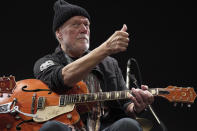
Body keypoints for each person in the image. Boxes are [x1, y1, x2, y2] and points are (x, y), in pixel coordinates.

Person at [33, 0, 154, 131]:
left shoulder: (110, 64)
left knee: (128, 125)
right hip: (67, 128)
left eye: (87, 25)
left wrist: (136, 106)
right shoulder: (45, 63)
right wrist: (106, 48)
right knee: (51, 127)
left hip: (104, 127)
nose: (84, 29)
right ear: (59, 33)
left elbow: (126, 105)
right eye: (76, 24)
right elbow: (63, 78)